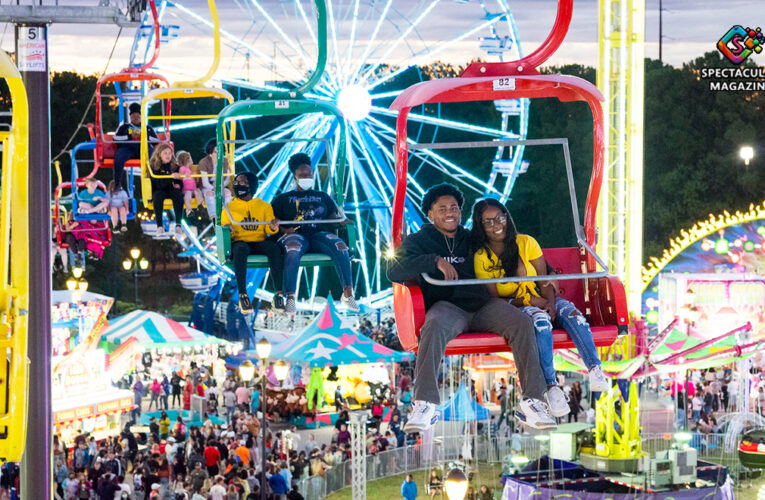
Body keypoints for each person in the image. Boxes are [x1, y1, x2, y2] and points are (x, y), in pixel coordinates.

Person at [387, 183, 553, 432]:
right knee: (432, 327)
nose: (449, 212)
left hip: (483, 303)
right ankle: (425, 403)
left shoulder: (471, 237)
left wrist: (544, 274)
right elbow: (393, 270)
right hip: (449, 306)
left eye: (454, 207)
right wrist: (434, 261)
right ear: (430, 215)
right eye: (442, 208)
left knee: (521, 322)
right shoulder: (420, 240)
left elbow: (503, 241)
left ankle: (532, 401)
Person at [470, 198, 609, 418]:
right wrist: (531, 303)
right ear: (480, 226)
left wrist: (551, 303)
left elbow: (544, 278)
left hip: (542, 297)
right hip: (514, 306)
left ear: (507, 217)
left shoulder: (526, 243)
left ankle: (595, 369)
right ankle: (551, 386)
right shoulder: (481, 257)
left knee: (574, 315)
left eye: (500, 218)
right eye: (488, 222)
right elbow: (494, 298)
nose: (496, 225)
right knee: (542, 324)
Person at [271, 152, 359, 314]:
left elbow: (333, 215)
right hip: (295, 235)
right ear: (294, 176)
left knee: (340, 246)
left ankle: (348, 292)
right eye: (302, 174)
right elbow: (273, 220)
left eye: (309, 173)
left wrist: (342, 221)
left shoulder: (322, 196)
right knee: (292, 249)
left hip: (318, 234)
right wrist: (283, 229)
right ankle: (290, 297)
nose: (307, 176)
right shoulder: (282, 199)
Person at [220, 172, 284, 314]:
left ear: (251, 186)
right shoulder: (229, 208)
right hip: (240, 242)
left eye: (242, 183)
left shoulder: (264, 206)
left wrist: (273, 227)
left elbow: (269, 228)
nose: (237, 185)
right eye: (236, 182)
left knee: (274, 249)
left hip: (259, 241)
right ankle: (243, 294)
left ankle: (279, 293)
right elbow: (225, 227)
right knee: (240, 249)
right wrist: (228, 229)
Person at [113, 102, 158, 188]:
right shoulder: (124, 127)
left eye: (138, 117)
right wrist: (129, 136)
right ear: (130, 117)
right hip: (128, 149)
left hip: (143, 149)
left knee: (153, 158)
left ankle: (154, 182)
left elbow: (156, 140)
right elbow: (115, 138)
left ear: (141, 117)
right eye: (134, 117)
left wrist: (145, 137)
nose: (136, 118)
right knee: (119, 157)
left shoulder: (147, 128)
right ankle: (117, 183)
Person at [148, 143, 184, 237]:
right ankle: (159, 226)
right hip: (159, 189)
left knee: (178, 195)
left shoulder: (174, 166)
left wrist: (178, 185)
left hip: (170, 189)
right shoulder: (154, 167)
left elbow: (180, 180)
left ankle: (178, 225)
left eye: (169, 153)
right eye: (165, 153)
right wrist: (170, 177)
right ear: (159, 154)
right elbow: (157, 182)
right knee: (157, 197)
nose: (168, 156)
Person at [197, 138, 232, 220]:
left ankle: (227, 215)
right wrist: (214, 188)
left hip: (220, 185)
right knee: (210, 194)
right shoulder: (204, 162)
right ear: (210, 152)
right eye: (215, 152)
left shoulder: (225, 161)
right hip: (208, 186)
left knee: (227, 193)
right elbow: (205, 182)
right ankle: (213, 217)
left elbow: (227, 179)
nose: (218, 155)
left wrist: (220, 186)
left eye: (220, 152)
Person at [176, 151, 204, 217]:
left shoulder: (190, 170)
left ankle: (200, 204)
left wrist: (196, 177)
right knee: (187, 196)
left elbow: (195, 182)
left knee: (198, 191)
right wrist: (185, 175)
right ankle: (188, 209)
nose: (192, 160)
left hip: (193, 188)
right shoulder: (182, 168)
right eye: (191, 159)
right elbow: (180, 176)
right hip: (186, 189)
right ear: (187, 160)